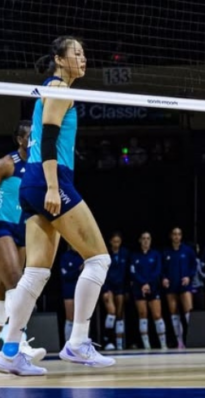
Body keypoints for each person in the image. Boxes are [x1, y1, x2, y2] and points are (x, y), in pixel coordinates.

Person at [0, 37, 115, 375]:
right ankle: (78, 341)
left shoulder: (53, 88)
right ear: (59, 59)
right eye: (76, 53)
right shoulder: (59, 88)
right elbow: (49, 138)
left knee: (36, 272)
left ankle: (9, 350)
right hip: (51, 179)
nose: (83, 58)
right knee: (99, 259)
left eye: (84, 53)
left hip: (35, 181)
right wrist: (53, 186)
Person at [0, 121, 46, 362]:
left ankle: (4, 345)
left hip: (23, 230)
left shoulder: (39, 167)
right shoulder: (8, 163)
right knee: (16, 283)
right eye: (30, 136)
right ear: (20, 140)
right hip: (3, 226)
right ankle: (18, 344)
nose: (34, 140)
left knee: (2, 291)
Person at [162, 227, 197, 349]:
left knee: (188, 312)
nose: (176, 236)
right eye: (174, 234)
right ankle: (179, 341)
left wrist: (188, 277)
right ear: (171, 236)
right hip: (171, 286)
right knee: (174, 313)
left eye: (179, 234)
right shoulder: (166, 252)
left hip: (184, 286)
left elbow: (194, 266)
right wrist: (164, 278)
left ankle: (193, 339)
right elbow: (162, 269)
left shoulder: (187, 251)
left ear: (181, 236)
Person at [132, 232, 167, 351]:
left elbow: (157, 271)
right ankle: (146, 345)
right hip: (139, 288)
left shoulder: (156, 254)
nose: (146, 241)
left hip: (153, 287)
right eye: (143, 238)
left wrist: (149, 284)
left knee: (157, 315)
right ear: (140, 240)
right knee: (143, 315)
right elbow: (133, 272)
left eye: (148, 238)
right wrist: (143, 283)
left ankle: (163, 344)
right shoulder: (134, 256)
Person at [100, 231, 129, 350]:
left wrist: (126, 289)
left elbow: (127, 273)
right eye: (114, 241)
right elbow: (102, 271)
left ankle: (119, 343)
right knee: (111, 312)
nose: (116, 244)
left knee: (119, 314)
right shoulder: (106, 254)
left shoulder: (124, 253)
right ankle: (108, 339)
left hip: (120, 287)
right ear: (110, 242)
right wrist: (105, 289)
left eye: (118, 241)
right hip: (108, 286)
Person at [59, 245, 83, 344]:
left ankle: (80, 343)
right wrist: (78, 270)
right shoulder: (65, 257)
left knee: (82, 318)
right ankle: (68, 343)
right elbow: (65, 275)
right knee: (70, 318)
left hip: (81, 290)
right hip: (69, 290)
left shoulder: (83, 256)